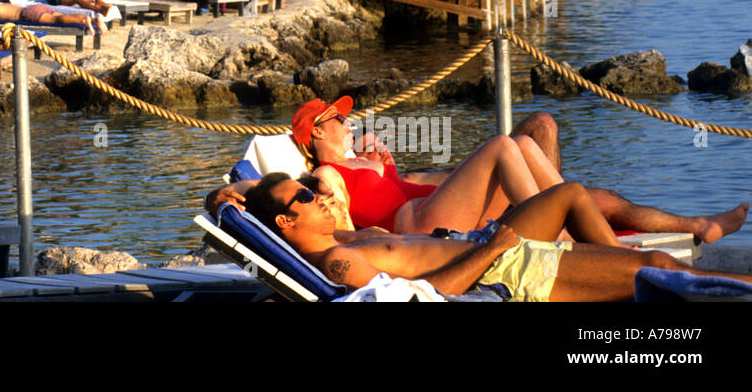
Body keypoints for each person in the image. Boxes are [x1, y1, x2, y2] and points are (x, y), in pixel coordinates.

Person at [266, 97, 747, 243]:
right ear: (313, 135)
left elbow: (425, 183)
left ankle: (696, 225)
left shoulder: (362, 161)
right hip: (418, 228)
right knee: (503, 145)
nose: (348, 123)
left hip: (436, 205)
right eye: (337, 120)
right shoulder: (324, 178)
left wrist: (381, 162)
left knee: (535, 131)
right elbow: (334, 223)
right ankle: (573, 235)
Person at [238, 173, 752, 301]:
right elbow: (433, 298)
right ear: (285, 223)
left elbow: (231, 193)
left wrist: (229, 199)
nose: (316, 193)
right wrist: (492, 249)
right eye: (304, 196)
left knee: (657, 261)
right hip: (507, 268)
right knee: (659, 270)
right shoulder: (338, 266)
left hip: (495, 250)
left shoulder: (343, 241)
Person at [0, 0, 96, 32]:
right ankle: (94, 20)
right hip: (35, 7)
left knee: (55, 20)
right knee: (62, 15)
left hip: (28, 13)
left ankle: (85, 21)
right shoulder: (4, 5)